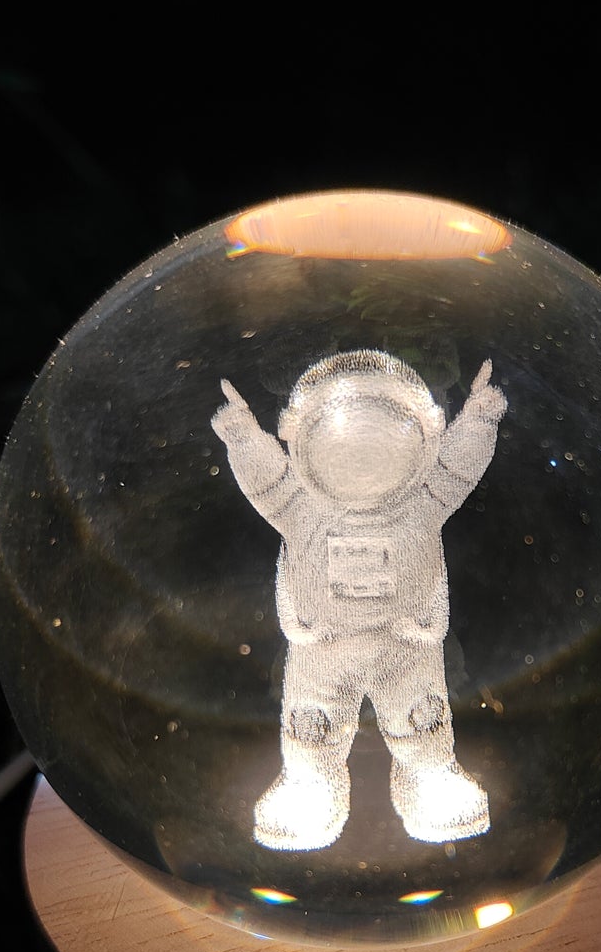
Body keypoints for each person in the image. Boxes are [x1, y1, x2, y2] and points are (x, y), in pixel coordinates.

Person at [212, 348, 507, 850]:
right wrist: (240, 432)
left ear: (422, 437)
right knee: (312, 727)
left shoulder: (422, 502)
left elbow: (456, 469)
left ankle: (430, 777)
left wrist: (480, 415)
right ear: (303, 440)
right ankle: (310, 787)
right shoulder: (301, 507)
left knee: (421, 719)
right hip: (323, 648)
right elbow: (269, 481)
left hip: (405, 644)